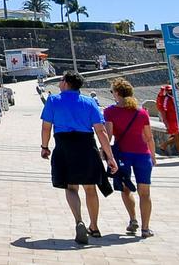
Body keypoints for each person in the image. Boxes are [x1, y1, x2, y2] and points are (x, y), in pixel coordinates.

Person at [41, 71, 119, 245]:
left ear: (67, 83)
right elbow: (101, 131)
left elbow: (46, 127)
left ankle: (79, 221)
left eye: (61, 80)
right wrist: (110, 156)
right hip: (86, 146)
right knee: (90, 188)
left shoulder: (53, 101)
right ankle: (95, 226)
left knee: (71, 187)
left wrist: (45, 147)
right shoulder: (90, 102)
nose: (60, 83)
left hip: (64, 145)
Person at [104, 78, 155, 238]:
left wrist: (105, 153)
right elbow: (149, 137)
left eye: (112, 91)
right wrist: (153, 156)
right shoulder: (142, 112)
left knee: (126, 188)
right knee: (145, 192)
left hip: (123, 155)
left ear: (117, 93)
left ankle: (133, 219)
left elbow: (109, 135)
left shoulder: (110, 111)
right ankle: (145, 229)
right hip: (143, 155)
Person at [155, 85, 179, 156]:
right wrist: (166, 123)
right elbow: (163, 110)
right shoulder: (165, 98)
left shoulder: (171, 97)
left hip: (176, 120)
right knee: (178, 136)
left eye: (171, 90)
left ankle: (164, 145)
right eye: (169, 90)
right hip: (171, 121)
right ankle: (165, 145)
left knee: (177, 136)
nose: (170, 91)